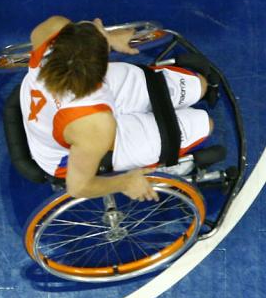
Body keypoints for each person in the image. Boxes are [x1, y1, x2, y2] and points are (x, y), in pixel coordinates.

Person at [19, 16, 214, 201]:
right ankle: (163, 166)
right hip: (70, 150)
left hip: (69, 107)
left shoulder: (54, 29)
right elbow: (78, 187)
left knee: (200, 85)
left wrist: (109, 38)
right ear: (101, 67)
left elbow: (82, 32)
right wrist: (124, 182)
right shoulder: (96, 125)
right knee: (206, 124)